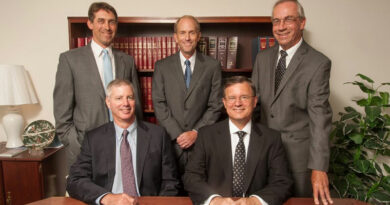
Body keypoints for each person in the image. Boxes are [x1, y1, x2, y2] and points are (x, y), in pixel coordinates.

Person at [251, 0, 333, 204]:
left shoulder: (318, 63)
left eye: (288, 19)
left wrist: (319, 167)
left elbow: (320, 117)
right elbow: (254, 105)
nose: (281, 27)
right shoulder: (262, 58)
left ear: (302, 22)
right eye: (276, 21)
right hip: (263, 153)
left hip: (298, 158)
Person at [53, 2, 142, 170]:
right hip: (85, 149)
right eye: (101, 21)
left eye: (111, 22)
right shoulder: (70, 60)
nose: (107, 27)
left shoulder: (127, 61)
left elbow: (135, 106)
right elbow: (62, 116)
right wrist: (77, 146)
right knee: (89, 196)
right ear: (90, 23)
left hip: (125, 146)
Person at [67, 79, 180, 205]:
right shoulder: (94, 139)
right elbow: (75, 180)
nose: (125, 103)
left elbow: (171, 182)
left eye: (129, 97)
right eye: (119, 98)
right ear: (108, 102)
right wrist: (107, 198)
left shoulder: (158, 135)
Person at [184, 76, 293, 205]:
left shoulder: (271, 138)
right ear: (224, 103)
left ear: (254, 101)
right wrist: (214, 200)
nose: (237, 103)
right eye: (232, 98)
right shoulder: (206, 135)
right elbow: (191, 177)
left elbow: (282, 181)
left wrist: (255, 201)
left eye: (244, 97)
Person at [152, 15, 223, 175]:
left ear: (198, 36)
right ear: (175, 37)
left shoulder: (212, 66)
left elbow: (216, 105)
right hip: (171, 144)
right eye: (183, 33)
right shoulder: (161, 66)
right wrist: (178, 135)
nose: (187, 38)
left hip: (201, 144)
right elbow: (158, 103)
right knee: (172, 193)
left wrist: (195, 132)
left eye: (192, 33)